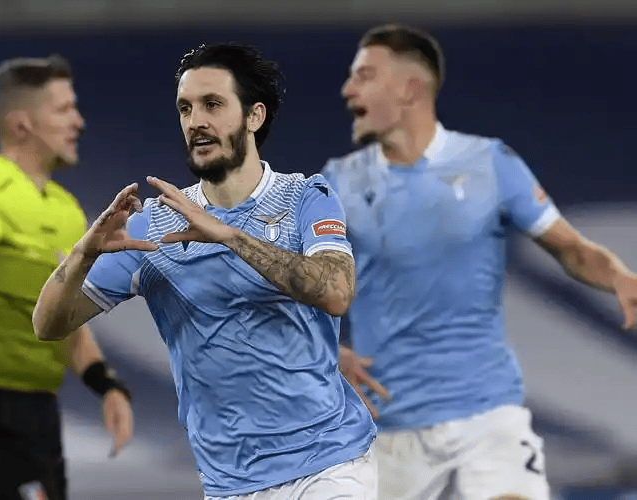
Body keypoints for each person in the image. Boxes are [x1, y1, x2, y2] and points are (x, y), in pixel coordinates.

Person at [32, 43, 378, 500]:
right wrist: (83, 254)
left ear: (254, 116)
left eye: (213, 104)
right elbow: (48, 325)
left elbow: (336, 291)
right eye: (186, 108)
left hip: (330, 464)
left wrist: (229, 235)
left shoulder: (305, 198)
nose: (196, 120)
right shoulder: (155, 225)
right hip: (230, 483)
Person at [322, 24, 637, 500]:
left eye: (364, 76)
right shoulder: (339, 182)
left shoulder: (490, 163)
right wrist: (326, 351)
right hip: (390, 426)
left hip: (487, 415)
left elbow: (570, 249)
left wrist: (619, 277)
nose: (348, 90)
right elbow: (298, 284)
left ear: (410, 89)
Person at [0, 55, 134, 500]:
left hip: (39, 411)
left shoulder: (67, 211)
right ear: (21, 125)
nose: (78, 122)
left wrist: (107, 386)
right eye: (64, 109)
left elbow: (64, 318)